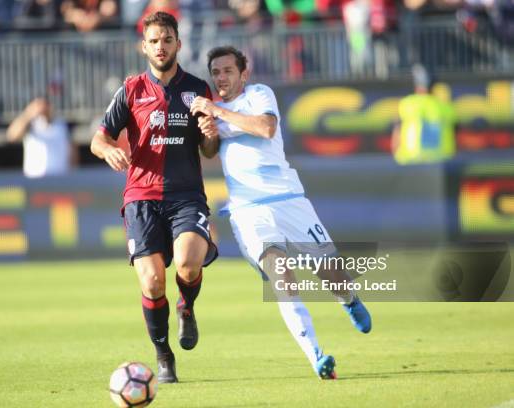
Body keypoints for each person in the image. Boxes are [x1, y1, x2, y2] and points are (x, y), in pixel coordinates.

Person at [190, 46, 371, 380]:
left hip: (288, 198)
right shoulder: (210, 111)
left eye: (228, 70)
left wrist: (219, 112)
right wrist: (209, 132)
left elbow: (266, 128)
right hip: (248, 209)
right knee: (282, 275)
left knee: (331, 272)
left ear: (243, 73)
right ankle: (316, 356)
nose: (221, 77)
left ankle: (348, 299)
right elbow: (209, 150)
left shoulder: (259, 94)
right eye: (216, 72)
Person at [90, 11, 219, 384]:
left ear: (178, 43)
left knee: (189, 267)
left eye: (167, 40)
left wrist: (210, 134)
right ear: (143, 46)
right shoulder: (131, 90)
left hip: (186, 196)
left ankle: (187, 307)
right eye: (154, 41)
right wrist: (108, 151)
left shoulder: (198, 90)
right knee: (151, 283)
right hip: (142, 197)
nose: (161, 47)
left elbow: (209, 151)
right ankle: (163, 355)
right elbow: (100, 138)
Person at [391, 64, 457, 165]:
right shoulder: (447, 108)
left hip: (410, 162)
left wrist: (396, 158)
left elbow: (396, 137)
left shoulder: (407, 104)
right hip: (441, 163)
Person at [7, 97, 77, 178]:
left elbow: (73, 149)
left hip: (59, 178)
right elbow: (11, 136)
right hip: (35, 178)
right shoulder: (31, 125)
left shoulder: (62, 125)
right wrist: (28, 115)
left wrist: (72, 172)